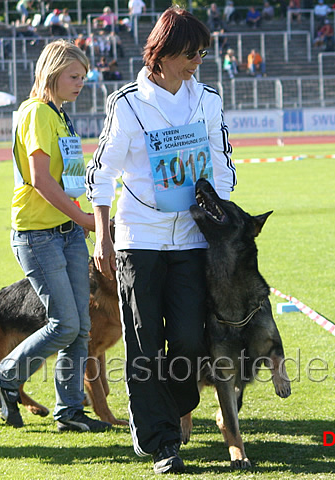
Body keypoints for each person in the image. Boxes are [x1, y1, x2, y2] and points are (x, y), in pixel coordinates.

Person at [85, 6, 236, 474]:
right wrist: (104, 235)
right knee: (145, 342)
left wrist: (221, 222)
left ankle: (165, 410)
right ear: (164, 53)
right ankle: (162, 442)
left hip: (192, 238)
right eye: (191, 53)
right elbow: (102, 172)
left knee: (190, 341)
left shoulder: (208, 100)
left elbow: (222, 164)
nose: (198, 63)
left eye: (202, 54)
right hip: (138, 238)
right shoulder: (127, 103)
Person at [0, 39, 112, 434]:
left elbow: (68, 178)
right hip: (38, 234)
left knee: (80, 328)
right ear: (52, 73)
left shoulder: (59, 114)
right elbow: (41, 181)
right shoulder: (37, 113)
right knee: (65, 324)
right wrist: (86, 219)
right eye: (74, 77)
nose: (80, 84)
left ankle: (69, 411)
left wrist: (86, 214)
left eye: (84, 78)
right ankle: (4, 378)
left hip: (68, 231)